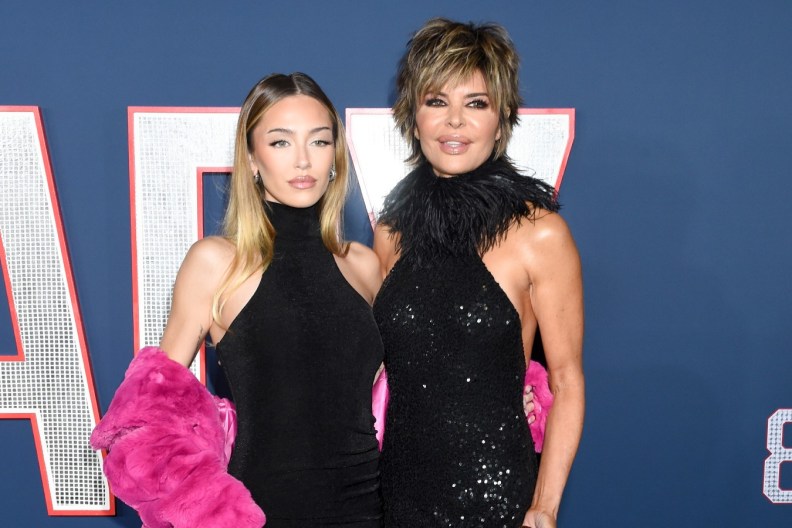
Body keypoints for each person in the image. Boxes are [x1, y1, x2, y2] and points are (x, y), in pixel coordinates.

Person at [93, 72, 384, 527]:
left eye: (320, 141)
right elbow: (147, 415)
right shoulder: (216, 262)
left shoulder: (363, 265)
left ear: (335, 156)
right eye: (281, 142)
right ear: (251, 158)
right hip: (261, 511)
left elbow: (404, 390)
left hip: (369, 510)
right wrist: (211, 511)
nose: (303, 160)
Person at [373, 18, 585, 528]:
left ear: (501, 116)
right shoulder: (390, 230)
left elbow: (567, 381)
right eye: (436, 101)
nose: (454, 123)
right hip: (397, 494)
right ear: (413, 114)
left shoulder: (540, 233)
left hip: (497, 496)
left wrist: (544, 507)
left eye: (476, 103)